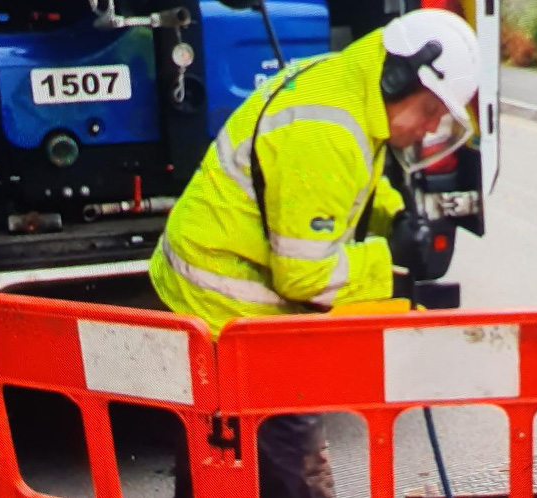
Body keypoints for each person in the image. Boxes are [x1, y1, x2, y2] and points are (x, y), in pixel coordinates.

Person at [147, 8, 481, 498]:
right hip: (223, 312)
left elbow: (348, 186)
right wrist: (390, 267)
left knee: (217, 471)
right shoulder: (328, 127)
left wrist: (394, 217)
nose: (429, 129)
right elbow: (304, 278)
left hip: (237, 311)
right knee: (284, 475)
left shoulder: (353, 89)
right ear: (397, 78)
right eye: (429, 111)